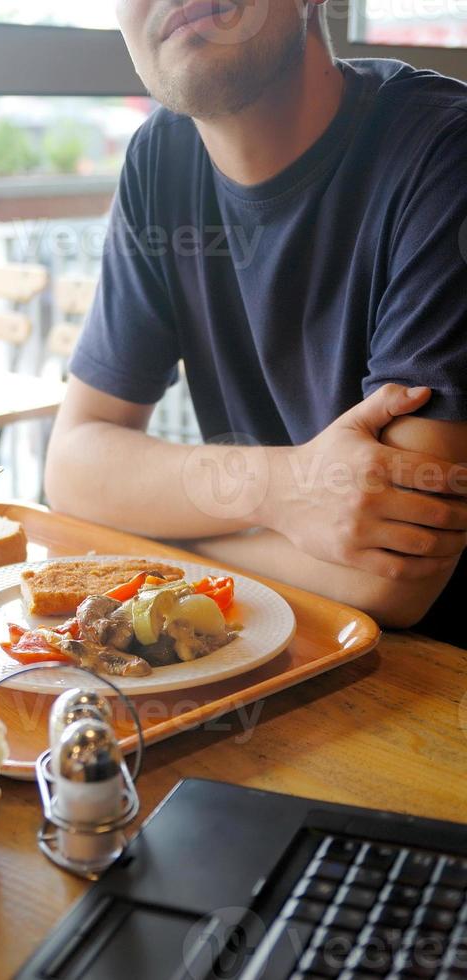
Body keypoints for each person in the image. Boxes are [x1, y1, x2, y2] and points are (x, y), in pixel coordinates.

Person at [45, 0, 467, 644]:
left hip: (427, 685)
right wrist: (282, 488)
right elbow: (73, 465)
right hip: (267, 649)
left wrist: (153, 532)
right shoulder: (162, 157)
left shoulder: (445, 155)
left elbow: (392, 581)